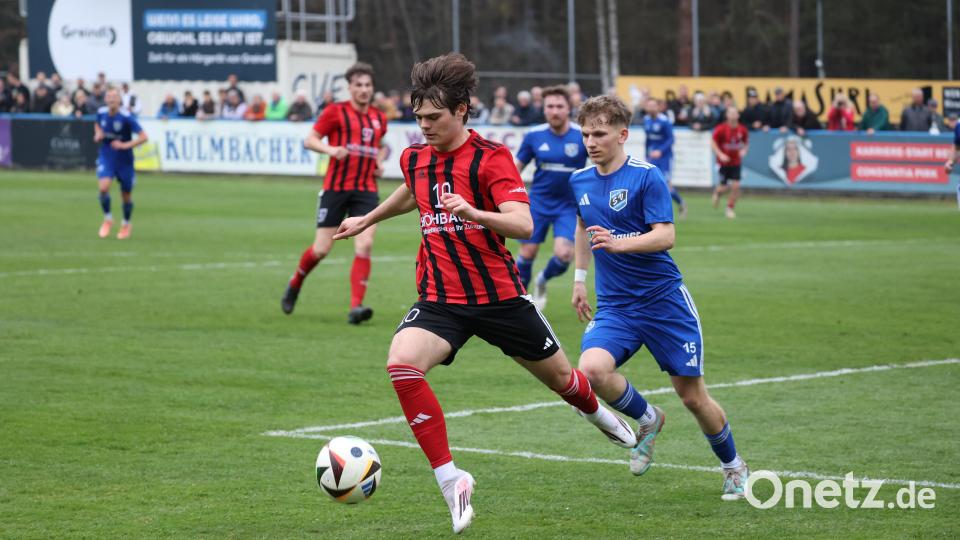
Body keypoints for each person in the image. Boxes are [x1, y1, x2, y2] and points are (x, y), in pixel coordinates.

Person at [332, 53, 637, 534]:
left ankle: (600, 415)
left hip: (499, 299)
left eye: (434, 118)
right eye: (418, 118)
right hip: (439, 299)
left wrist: (473, 212)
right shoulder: (414, 157)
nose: (424, 126)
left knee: (564, 382)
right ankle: (452, 480)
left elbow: (523, 223)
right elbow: (412, 191)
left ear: (462, 111)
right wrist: (367, 218)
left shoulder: (491, 158)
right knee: (401, 366)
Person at [569, 94, 749, 501]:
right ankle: (648, 418)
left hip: (664, 302)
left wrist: (620, 244)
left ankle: (733, 466)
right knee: (593, 370)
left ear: (622, 134)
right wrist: (580, 279)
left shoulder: (646, 176)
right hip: (616, 305)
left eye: (599, 133)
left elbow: (666, 235)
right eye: (586, 134)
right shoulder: (578, 180)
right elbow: (583, 227)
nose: (591, 141)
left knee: (692, 396)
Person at [281, 63, 389, 324]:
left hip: (366, 190)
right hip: (336, 190)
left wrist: (379, 162)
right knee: (321, 249)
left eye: (368, 85)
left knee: (365, 243)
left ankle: (356, 307)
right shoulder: (336, 112)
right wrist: (331, 151)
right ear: (350, 87)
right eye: (359, 85)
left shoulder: (378, 118)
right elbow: (311, 139)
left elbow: (380, 146)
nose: (364, 90)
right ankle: (296, 282)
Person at [513, 85, 588, 309]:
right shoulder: (534, 135)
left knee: (565, 255)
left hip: (568, 205)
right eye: (550, 106)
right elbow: (515, 168)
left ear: (569, 109)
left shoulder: (581, 135)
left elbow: (600, 165)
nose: (554, 111)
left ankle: (542, 279)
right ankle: (521, 303)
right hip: (538, 202)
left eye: (559, 106)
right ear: (544, 109)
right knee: (527, 251)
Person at [93, 87, 148, 239]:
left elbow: (144, 137)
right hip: (107, 155)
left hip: (124, 159)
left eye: (114, 96)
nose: (111, 99)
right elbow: (97, 125)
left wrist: (124, 145)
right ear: (105, 99)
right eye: (109, 96)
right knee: (103, 188)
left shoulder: (127, 117)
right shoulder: (101, 113)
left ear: (119, 100)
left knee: (126, 195)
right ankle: (108, 219)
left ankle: (125, 224)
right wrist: (98, 134)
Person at [642, 97, 686, 217]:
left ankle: (680, 202)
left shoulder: (664, 121)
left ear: (658, 107)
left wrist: (660, 151)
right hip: (652, 157)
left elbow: (671, 139)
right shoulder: (646, 120)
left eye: (653, 106)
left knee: (665, 184)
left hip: (665, 158)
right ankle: (654, 210)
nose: (651, 108)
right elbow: (648, 140)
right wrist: (646, 155)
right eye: (648, 106)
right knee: (651, 182)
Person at [710, 106, 749, 219]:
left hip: (736, 162)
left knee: (736, 186)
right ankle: (717, 192)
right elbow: (713, 142)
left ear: (738, 115)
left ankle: (729, 208)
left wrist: (744, 150)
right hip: (723, 163)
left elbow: (746, 143)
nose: (732, 115)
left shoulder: (742, 129)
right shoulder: (721, 128)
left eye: (734, 113)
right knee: (724, 187)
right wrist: (720, 154)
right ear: (727, 115)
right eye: (730, 113)